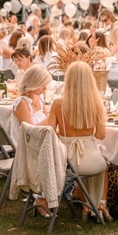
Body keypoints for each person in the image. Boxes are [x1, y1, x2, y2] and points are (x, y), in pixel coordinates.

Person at [46, 61, 111, 221]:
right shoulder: (96, 104)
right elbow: (101, 135)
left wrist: (65, 133)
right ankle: (99, 203)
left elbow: (49, 133)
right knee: (104, 163)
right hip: (91, 159)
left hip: (65, 160)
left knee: (96, 163)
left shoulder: (58, 104)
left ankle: (86, 203)